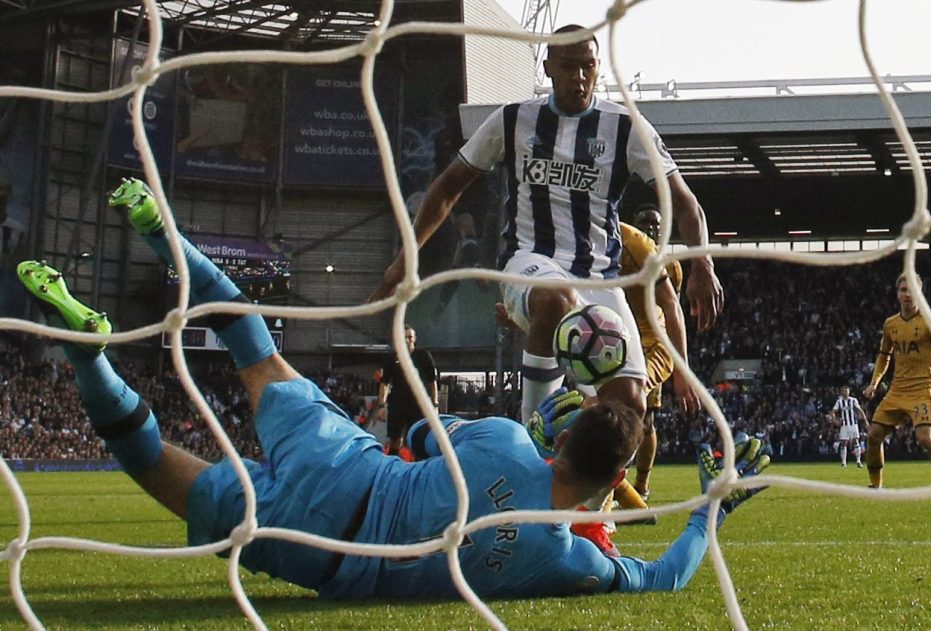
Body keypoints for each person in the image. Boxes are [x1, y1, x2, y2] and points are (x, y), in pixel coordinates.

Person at [14, 177, 767, 601]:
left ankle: (164, 234)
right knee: (151, 463)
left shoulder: (505, 441)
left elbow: (413, 439)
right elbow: (664, 576)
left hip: (346, 465)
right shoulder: (572, 562)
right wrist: (709, 505)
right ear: (615, 488)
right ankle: (90, 355)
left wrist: (527, 430)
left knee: (254, 345)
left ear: (567, 435)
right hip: (318, 552)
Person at [369, 24, 723, 432]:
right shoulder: (514, 119)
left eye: (588, 67)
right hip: (529, 262)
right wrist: (406, 258)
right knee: (556, 298)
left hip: (599, 279)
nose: (580, 77)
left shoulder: (626, 127)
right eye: (569, 67)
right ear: (548, 68)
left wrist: (704, 265)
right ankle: (535, 437)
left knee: (629, 407)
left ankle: (581, 488)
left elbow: (684, 200)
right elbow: (447, 188)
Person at [617, 181, 700, 503]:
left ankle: (640, 484)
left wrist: (681, 366)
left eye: (656, 224)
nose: (650, 228)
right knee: (621, 410)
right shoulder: (619, 252)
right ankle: (615, 486)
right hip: (618, 342)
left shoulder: (672, 266)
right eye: (644, 223)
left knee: (642, 416)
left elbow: (672, 310)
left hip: (652, 346)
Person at [863, 272, 931, 488]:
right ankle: (876, 486)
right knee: (873, 435)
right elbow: (884, 356)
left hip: (923, 389)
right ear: (897, 294)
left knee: (925, 439)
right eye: (903, 290)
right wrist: (874, 383)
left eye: (912, 290)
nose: (908, 294)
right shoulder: (890, 324)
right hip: (897, 390)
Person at [374, 325, 438, 457]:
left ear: (415, 338)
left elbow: (433, 381)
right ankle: (392, 468)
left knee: (419, 439)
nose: (407, 340)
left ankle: (420, 469)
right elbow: (384, 383)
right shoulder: (392, 358)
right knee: (395, 439)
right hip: (398, 404)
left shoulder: (423, 356)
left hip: (419, 404)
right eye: (404, 337)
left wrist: (435, 404)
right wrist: (381, 406)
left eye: (410, 337)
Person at [827, 386, 867, 468]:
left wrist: (865, 420)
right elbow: (833, 411)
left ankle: (858, 461)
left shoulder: (853, 400)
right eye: (844, 391)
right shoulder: (839, 402)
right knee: (843, 443)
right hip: (844, 425)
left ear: (849, 392)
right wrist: (835, 421)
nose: (846, 393)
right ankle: (844, 462)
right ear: (841, 392)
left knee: (856, 441)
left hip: (853, 424)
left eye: (847, 391)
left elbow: (860, 410)